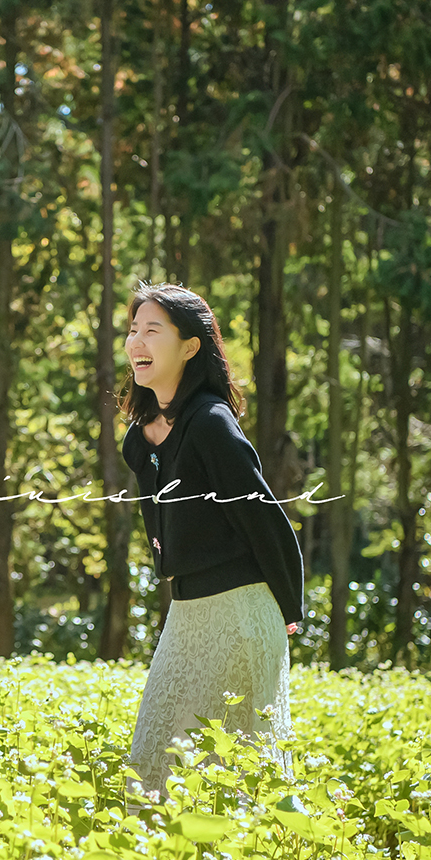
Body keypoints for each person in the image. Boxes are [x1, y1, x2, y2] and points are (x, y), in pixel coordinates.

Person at [119, 282, 304, 801]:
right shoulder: (141, 436)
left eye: (153, 330)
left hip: (242, 612)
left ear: (190, 346)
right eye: (133, 330)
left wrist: (289, 606)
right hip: (189, 612)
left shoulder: (211, 424)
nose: (137, 341)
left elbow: (265, 520)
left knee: (229, 768)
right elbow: (161, 532)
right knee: (151, 760)